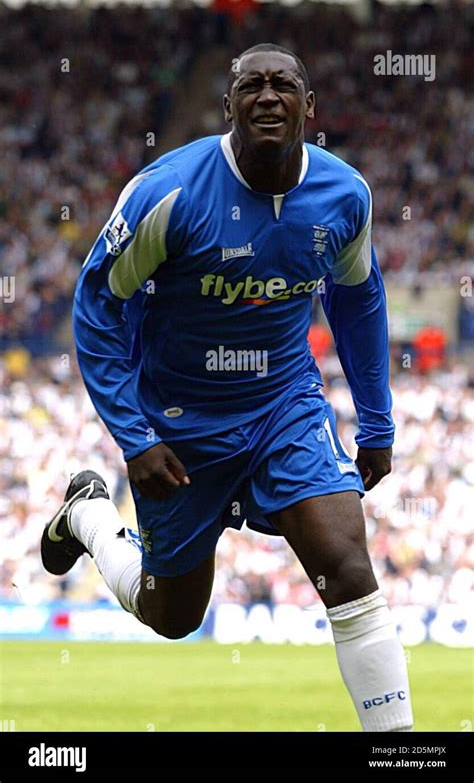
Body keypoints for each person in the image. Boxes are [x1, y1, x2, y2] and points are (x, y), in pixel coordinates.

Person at [41, 44, 413, 732]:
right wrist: (135, 438)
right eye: (252, 85)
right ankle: (90, 514)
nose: (268, 96)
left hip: (284, 405)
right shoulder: (168, 192)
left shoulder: (344, 195)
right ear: (229, 106)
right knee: (173, 616)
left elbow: (358, 300)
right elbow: (97, 307)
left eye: (283, 86)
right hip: (180, 422)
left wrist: (378, 422)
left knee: (347, 565)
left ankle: (398, 749)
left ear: (309, 106)